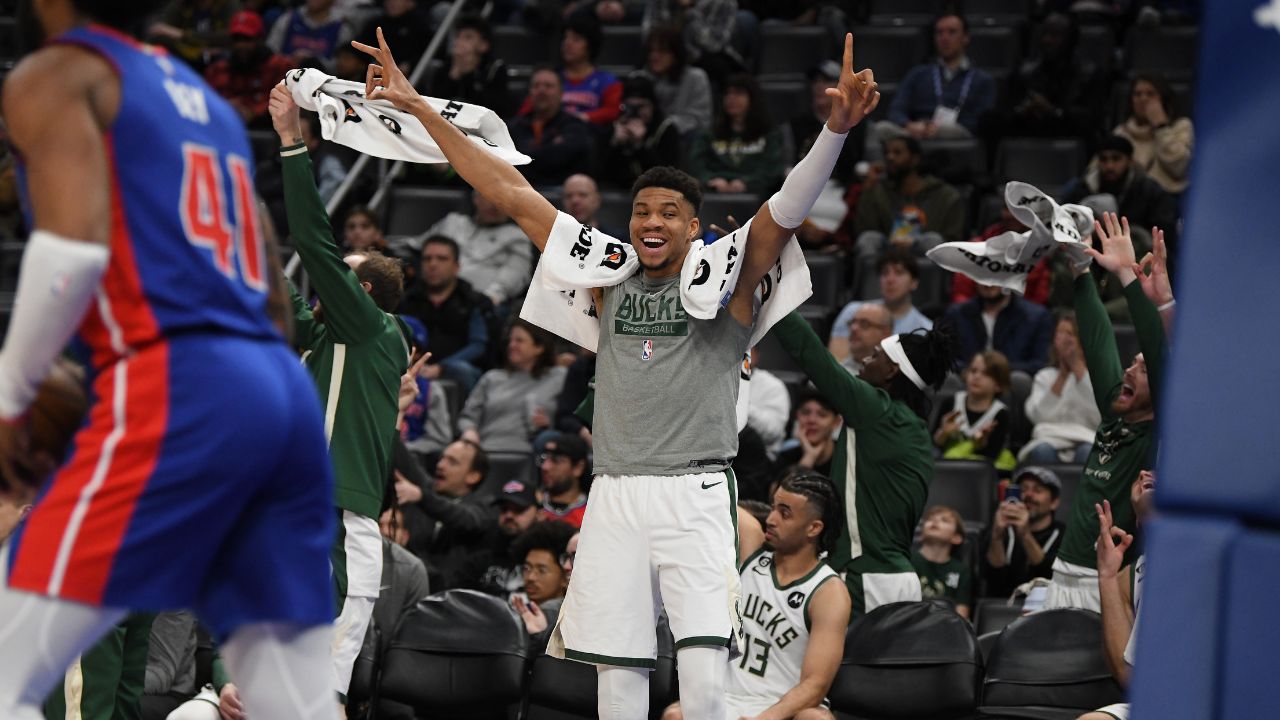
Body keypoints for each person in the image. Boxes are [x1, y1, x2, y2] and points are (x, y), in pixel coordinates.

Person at [353, 28, 878, 719]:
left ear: (694, 228)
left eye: (669, 213)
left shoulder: (728, 282)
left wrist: (834, 133)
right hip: (616, 491)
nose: (651, 221)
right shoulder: (608, 278)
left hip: (693, 489)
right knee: (617, 675)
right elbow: (508, 190)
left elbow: (784, 210)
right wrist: (420, 106)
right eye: (641, 211)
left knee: (703, 671)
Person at [0, 5, 337, 720]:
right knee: (294, 693)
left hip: (180, 381)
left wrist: (11, 395)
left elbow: (69, 254)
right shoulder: (205, 104)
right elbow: (272, 283)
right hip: (272, 387)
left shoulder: (64, 71)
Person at [269, 86, 412, 713]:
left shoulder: (373, 329)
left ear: (365, 290)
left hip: (337, 521)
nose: (326, 283)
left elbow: (311, 243)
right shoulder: (332, 337)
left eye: (341, 276)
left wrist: (292, 145)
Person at [768, 309, 962, 618]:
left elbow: (811, 354)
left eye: (875, 356)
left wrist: (772, 291)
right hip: (896, 578)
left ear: (892, 371)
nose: (865, 361)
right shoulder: (913, 427)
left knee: (833, 665)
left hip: (864, 576)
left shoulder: (877, 411)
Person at [1043, 213, 1168, 612]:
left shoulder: (1161, 429)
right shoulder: (1116, 412)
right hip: (1060, 572)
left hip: (1108, 583)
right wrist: (1082, 270)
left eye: (1142, 367)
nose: (1129, 369)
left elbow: (1158, 346)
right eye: (1131, 364)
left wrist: (1129, 278)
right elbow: (1097, 342)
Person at [662, 473, 851, 720]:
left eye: (784, 513)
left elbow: (815, 685)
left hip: (783, 707)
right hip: (728, 698)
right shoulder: (752, 553)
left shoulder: (828, 591)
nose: (771, 519)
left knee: (816, 719)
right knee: (676, 714)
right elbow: (713, 493)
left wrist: (765, 718)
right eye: (773, 507)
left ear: (813, 528)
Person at [1078, 469, 1155, 720]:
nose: (1144, 471)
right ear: (1139, 522)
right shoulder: (1131, 576)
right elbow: (1128, 676)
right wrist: (1107, 576)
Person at [851, 136, 964, 299]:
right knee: (868, 239)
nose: (890, 158)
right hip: (888, 248)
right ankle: (869, 302)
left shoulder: (944, 195)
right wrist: (868, 190)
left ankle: (936, 301)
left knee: (933, 240)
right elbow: (864, 228)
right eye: (887, 153)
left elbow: (953, 238)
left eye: (897, 153)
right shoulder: (878, 191)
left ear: (915, 158)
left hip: (921, 248)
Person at [394, 439, 498, 591]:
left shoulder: (486, 505)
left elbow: (466, 519)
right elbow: (401, 455)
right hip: (407, 582)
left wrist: (422, 497)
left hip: (448, 595)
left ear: (473, 476)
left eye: (452, 462)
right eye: (442, 458)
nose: (441, 465)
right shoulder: (427, 488)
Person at [876, 13, 996, 145]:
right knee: (881, 128)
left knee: (946, 130)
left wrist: (936, 128)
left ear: (966, 37)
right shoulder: (918, 74)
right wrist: (908, 125)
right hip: (916, 131)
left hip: (955, 131)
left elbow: (980, 120)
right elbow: (896, 109)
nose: (944, 38)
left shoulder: (982, 80)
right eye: (939, 33)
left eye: (952, 32)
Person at [398, 235, 495, 394]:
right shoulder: (407, 299)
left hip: (453, 369)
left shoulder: (474, 301)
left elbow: (478, 345)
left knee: (462, 370)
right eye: (427, 259)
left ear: (456, 266)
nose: (433, 264)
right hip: (412, 365)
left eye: (441, 259)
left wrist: (442, 367)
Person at [458, 320, 568, 454]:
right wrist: (469, 432)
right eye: (510, 340)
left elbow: (570, 418)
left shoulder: (559, 377)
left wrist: (550, 424)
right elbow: (467, 417)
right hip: (487, 451)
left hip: (534, 455)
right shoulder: (492, 378)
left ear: (539, 347)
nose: (511, 345)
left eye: (519, 341)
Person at [1060, 136, 1180, 253]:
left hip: (1134, 256)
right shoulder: (1083, 188)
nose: (1109, 166)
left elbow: (1163, 234)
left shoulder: (1148, 191)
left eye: (1116, 159)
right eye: (1103, 159)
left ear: (1130, 161)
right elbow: (1061, 223)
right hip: (1091, 253)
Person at [421, 190, 534, 307]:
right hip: (429, 294)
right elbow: (414, 245)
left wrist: (490, 299)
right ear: (476, 199)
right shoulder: (453, 222)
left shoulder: (517, 237)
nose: (495, 206)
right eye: (489, 198)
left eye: (502, 202)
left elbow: (515, 274)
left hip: (478, 304)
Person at [1021, 312, 1101, 464]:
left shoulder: (1099, 377)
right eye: (1059, 333)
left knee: (1087, 453)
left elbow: (1101, 417)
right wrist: (1063, 375)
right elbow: (1039, 417)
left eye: (1070, 334)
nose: (1063, 340)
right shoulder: (1044, 376)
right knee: (1042, 452)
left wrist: (1077, 367)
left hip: (1086, 438)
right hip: (1049, 438)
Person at [687, 73, 784, 196]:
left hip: (758, 194)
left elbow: (773, 169)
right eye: (728, 93)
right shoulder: (709, 134)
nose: (731, 98)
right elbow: (697, 164)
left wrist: (747, 182)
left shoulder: (769, 134)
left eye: (739, 93)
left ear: (753, 99)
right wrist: (710, 179)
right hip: (714, 190)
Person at [829, 248, 932, 359]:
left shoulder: (925, 329)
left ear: (914, 283)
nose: (890, 280)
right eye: (885, 273)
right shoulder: (854, 311)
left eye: (899, 272)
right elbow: (837, 361)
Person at [982, 466, 1065, 599]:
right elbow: (992, 580)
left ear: (1054, 503)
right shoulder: (1001, 528)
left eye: (1038, 490)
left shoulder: (1064, 535)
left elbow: (1052, 577)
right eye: (1023, 489)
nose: (1028, 495)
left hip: (1047, 608)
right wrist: (996, 536)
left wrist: (1025, 535)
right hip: (1002, 609)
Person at [507, 66, 596, 189]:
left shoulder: (574, 126)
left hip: (563, 195)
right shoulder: (513, 126)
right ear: (529, 92)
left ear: (561, 93)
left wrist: (524, 157)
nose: (541, 90)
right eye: (536, 86)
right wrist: (550, 150)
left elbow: (559, 160)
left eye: (548, 86)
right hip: (520, 192)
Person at [202, 10, 296, 127]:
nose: (241, 45)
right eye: (237, 39)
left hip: (269, 128)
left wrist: (254, 111)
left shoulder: (280, 66)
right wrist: (225, 106)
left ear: (259, 39)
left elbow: (288, 100)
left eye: (247, 39)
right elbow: (204, 104)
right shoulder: (218, 70)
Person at [941, 282, 1055, 375]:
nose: (988, 282)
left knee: (1019, 380)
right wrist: (972, 371)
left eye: (996, 275)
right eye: (982, 273)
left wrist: (996, 372)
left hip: (1012, 385)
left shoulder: (1036, 317)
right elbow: (944, 358)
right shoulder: (956, 314)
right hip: (965, 382)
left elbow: (1039, 363)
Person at [1111, 73, 1193, 197]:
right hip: (1129, 199)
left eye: (1150, 94)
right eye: (1137, 94)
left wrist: (1161, 127)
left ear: (1163, 98)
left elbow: (1180, 168)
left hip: (1169, 197)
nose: (1143, 99)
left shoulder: (1181, 126)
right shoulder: (1121, 132)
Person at [933, 350, 1016, 471]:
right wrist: (943, 433)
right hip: (946, 467)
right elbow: (933, 444)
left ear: (998, 385)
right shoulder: (950, 402)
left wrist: (980, 444)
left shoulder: (1001, 414)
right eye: (973, 371)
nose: (976, 376)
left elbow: (991, 457)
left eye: (986, 374)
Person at [601, 75, 682, 191]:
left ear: (653, 106)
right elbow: (601, 174)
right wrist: (615, 144)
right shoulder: (614, 127)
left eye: (641, 107)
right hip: (617, 193)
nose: (636, 113)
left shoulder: (666, 130)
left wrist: (640, 146)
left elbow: (667, 177)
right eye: (630, 107)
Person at [510, 520, 578, 654]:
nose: (530, 577)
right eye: (527, 568)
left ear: (564, 577)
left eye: (542, 570)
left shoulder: (563, 615)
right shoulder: (518, 609)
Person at [421, 15, 509, 115]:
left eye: (468, 37)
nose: (459, 42)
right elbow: (434, 105)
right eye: (458, 36)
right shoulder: (445, 67)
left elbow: (495, 109)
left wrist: (469, 74)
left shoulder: (494, 69)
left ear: (483, 45)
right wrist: (454, 74)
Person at [637, 25, 713, 140]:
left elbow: (700, 119)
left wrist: (664, 126)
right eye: (651, 51)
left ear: (676, 54)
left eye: (662, 51)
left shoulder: (696, 77)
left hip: (684, 139)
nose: (654, 56)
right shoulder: (640, 78)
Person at [557, 17, 622, 127]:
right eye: (565, 38)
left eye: (576, 39)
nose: (567, 43)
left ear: (590, 45)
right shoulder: (550, 79)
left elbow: (613, 111)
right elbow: (526, 112)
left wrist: (582, 118)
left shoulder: (608, 81)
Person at [911, 505, 973, 619]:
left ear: (956, 538)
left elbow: (961, 614)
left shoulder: (961, 570)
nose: (935, 521)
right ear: (921, 535)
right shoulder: (907, 561)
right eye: (929, 519)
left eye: (944, 520)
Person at [266, 0, 353, 70]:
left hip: (321, 85)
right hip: (284, 80)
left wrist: (313, 61)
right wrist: (288, 60)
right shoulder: (288, 19)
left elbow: (342, 67)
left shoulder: (342, 28)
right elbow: (270, 53)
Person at [774, 389, 840, 479]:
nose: (812, 420)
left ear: (836, 422)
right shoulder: (786, 457)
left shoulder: (846, 457)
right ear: (797, 416)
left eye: (822, 414)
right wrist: (809, 458)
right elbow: (777, 492)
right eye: (805, 412)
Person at [538, 433, 591, 528]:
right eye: (544, 459)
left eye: (556, 460)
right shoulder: (529, 507)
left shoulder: (593, 514)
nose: (545, 467)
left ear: (578, 468)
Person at [831, 302, 893, 373]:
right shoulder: (835, 372)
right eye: (852, 322)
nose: (853, 328)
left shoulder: (896, 375)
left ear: (886, 334)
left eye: (864, 324)